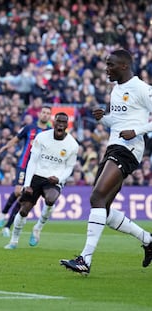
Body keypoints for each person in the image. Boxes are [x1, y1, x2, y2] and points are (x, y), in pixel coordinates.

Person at [60, 49, 152, 275]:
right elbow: (117, 124)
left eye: (110, 65)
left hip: (129, 150)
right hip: (114, 146)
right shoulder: (116, 90)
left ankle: (85, 260)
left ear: (123, 66)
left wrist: (137, 130)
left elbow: (132, 127)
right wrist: (105, 119)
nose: (106, 69)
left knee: (96, 197)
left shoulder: (141, 88)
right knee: (104, 207)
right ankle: (148, 240)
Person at [4, 112, 78, 250]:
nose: (60, 125)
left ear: (67, 125)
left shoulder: (72, 145)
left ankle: (38, 227)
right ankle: (14, 241)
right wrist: (27, 184)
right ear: (53, 123)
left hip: (54, 179)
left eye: (63, 122)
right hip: (36, 176)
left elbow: (69, 168)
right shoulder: (42, 137)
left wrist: (59, 179)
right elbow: (32, 161)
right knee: (24, 210)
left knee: (50, 200)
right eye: (58, 122)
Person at [0, 106, 52, 239]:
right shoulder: (29, 128)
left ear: (50, 116)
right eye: (43, 112)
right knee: (17, 191)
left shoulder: (51, 133)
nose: (45, 115)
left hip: (38, 169)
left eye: (48, 113)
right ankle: (3, 213)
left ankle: (7, 226)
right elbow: (16, 139)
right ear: (39, 114)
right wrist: (6, 146)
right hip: (24, 165)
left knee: (23, 198)